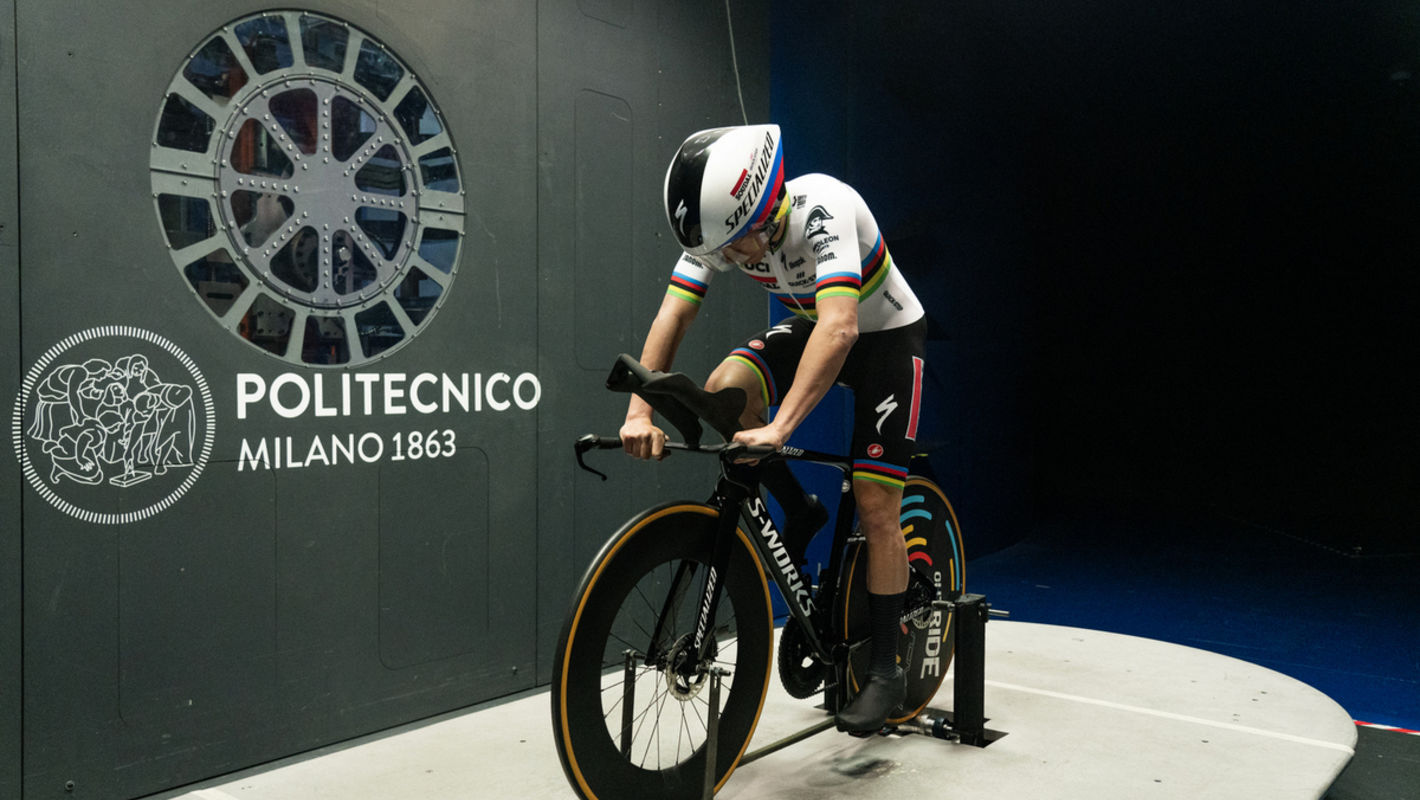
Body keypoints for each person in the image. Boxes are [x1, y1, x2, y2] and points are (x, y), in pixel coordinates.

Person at [619, 124, 928, 734]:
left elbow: (841, 329)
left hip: (886, 340)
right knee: (724, 394)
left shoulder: (824, 208)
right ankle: (800, 507)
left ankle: (886, 668)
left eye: (736, 248)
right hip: (818, 323)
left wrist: (781, 427)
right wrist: (638, 412)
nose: (729, 261)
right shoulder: (722, 228)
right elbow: (673, 313)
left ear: (765, 214)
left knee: (876, 504)